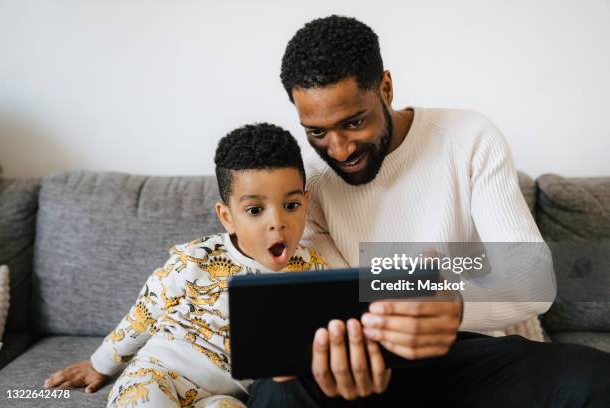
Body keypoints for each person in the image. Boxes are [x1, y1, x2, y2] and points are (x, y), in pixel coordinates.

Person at [247, 15, 610, 407]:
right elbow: (338, 299)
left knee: (596, 376)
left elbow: (533, 276)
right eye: (317, 132)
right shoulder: (307, 186)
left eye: (354, 122)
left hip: (476, 356)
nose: (339, 149)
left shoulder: (469, 137)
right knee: (275, 391)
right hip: (377, 365)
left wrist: (454, 303)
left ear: (385, 88)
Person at [43, 123, 326, 407]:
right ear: (227, 217)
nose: (277, 222)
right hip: (159, 373)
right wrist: (99, 365)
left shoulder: (313, 271)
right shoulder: (196, 258)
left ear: (306, 203)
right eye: (255, 210)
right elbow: (144, 313)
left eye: (291, 206)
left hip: (224, 397)